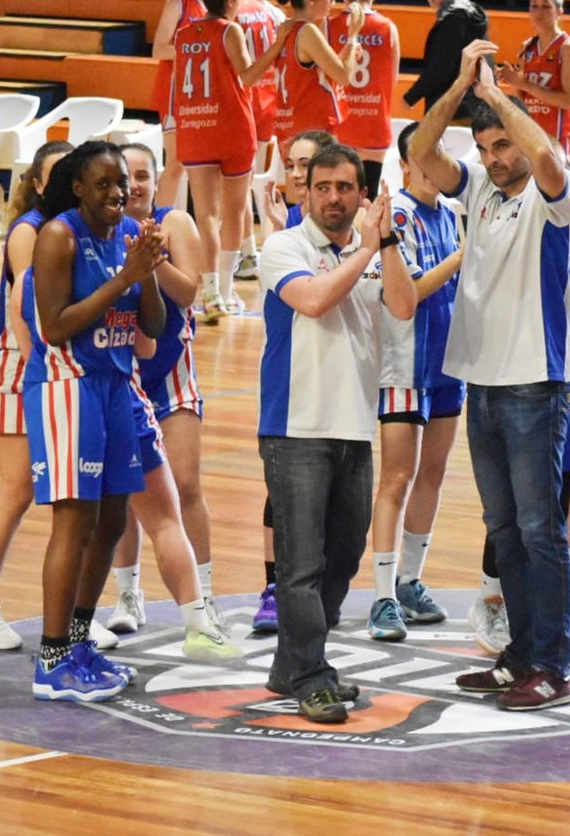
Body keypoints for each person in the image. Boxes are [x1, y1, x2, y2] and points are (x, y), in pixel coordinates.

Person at [410, 41, 570, 711]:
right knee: (504, 528)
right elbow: (423, 153)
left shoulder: (550, 195)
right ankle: (520, 654)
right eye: (483, 148)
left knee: (541, 529)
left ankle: (554, 664)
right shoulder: (478, 186)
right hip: (481, 379)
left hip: (535, 381)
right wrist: (460, 88)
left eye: (500, 146)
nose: (492, 158)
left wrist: (505, 98)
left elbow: (549, 157)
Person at [257, 145, 417, 723]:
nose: (332, 198)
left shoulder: (374, 250)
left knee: (344, 557)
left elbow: (403, 307)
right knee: (301, 565)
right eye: (321, 186)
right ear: (305, 192)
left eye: (345, 188)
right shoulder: (284, 247)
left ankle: (291, 665)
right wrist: (366, 251)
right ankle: (311, 674)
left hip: (354, 425)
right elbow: (316, 300)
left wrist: (386, 243)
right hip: (294, 426)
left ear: (362, 195)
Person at [23, 141, 166, 701]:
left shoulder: (131, 235)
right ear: (79, 188)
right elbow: (55, 327)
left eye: (123, 184)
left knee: (112, 522)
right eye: (104, 184)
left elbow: (151, 324)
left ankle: (79, 641)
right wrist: (121, 278)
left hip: (114, 385)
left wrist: (147, 270)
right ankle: (53, 658)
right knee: (75, 521)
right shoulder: (58, 236)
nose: (117, 193)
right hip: (67, 385)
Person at [103, 144, 240, 659]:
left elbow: (189, 291)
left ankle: (204, 598)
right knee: (122, 491)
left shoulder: (172, 222)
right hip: (120, 373)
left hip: (170, 375)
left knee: (184, 485)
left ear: (157, 180)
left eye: (143, 175)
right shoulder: (98, 229)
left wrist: (147, 255)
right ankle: (127, 594)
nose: (133, 185)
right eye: (125, 175)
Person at [469, 210, 570, 656]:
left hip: (564, 378)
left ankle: (543, 631)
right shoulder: (505, 228)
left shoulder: (568, 229)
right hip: (509, 382)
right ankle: (494, 598)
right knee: (513, 509)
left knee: (558, 498)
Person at [0, 140, 74, 652]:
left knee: (80, 496)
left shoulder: (76, 230)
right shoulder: (29, 231)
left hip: (60, 366)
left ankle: (94, 609)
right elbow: (27, 308)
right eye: (58, 175)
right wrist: (39, 370)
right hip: (18, 365)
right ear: (40, 182)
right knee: (18, 487)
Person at [367, 122, 465, 642]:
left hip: (451, 365)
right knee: (397, 478)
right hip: (405, 364)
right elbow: (414, 291)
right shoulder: (399, 214)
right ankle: (381, 596)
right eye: (423, 156)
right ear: (405, 165)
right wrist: (464, 254)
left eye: (440, 153)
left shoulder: (451, 214)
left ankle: (410, 580)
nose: (434, 164)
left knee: (434, 474)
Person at [253, 128, 335, 635]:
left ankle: (315, 585)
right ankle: (274, 585)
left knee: (331, 496)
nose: (297, 173)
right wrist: (272, 228)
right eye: (291, 163)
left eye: (307, 164)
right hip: (288, 377)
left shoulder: (346, 232)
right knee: (283, 488)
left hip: (339, 382)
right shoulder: (284, 240)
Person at [173, 0, 285, 321]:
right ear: (233, 3)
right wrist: (277, 44)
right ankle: (225, 289)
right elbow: (248, 76)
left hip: (195, 127)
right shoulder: (229, 30)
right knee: (235, 210)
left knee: (206, 214)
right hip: (231, 126)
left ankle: (209, 295)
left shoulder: (183, 35)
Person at [498, 0, 570, 167]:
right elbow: (523, 96)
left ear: (559, 11)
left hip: (559, 139)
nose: (539, 12)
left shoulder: (568, 48)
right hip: (531, 137)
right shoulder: (528, 47)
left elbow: (567, 101)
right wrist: (510, 79)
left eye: (546, 6)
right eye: (534, 6)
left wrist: (524, 84)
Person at [233, 0, 286, 271]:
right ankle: (266, 247)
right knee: (257, 181)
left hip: (242, 102)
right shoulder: (272, 12)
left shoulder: (232, 11)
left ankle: (247, 252)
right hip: (269, 103)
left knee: (238, 185)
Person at [328, 0, 400, 198]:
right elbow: (392, 79)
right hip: (374, 121)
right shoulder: (388, 27)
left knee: (339, 197)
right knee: (368, 196)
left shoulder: (329, 26)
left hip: (340, 121)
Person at [273, 0, 363, 151]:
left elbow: (319, 71)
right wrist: (353, 36)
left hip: (290, 126)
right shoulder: (308, 31)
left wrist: (349, 54)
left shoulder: (286, 29)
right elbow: (343, 76)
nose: (333, 2)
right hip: (311, 132)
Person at [151, 0, 207, 208]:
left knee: (204, 165)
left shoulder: (215, 6)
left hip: (204, 94)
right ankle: (158, 223)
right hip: (176, 92)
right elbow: (159, 48)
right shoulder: (179, 3)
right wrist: (199, 50)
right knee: (175, 163)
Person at [402, 0, 489, 120]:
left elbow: (440, 68)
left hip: (448, 107)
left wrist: (411, 97)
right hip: (476, 104)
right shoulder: (474, 14)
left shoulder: (452, 21)